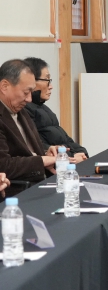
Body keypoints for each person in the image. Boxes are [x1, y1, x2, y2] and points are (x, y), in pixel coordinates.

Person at [0, 59, 58, 194]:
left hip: (40, 182)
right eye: (26, 92)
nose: (29, 99)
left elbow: (25, 150)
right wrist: (41, 161)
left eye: (31, 92)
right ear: (4, 86)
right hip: (18, 191)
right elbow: (3, 164)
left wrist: (45, 152)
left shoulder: (20, 110)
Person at [24, 57, 88, 162]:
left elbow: (67, 140)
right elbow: (41, 147)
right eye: (47, 80)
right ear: (31, 81)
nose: (51, 86)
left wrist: (82, 153)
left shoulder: (45, 109)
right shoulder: (25, 110)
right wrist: (72, 157)